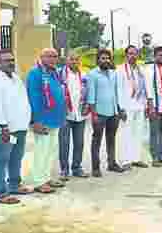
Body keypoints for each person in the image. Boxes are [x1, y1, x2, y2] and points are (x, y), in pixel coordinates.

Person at [0, 49, 34, 205]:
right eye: (6, 60)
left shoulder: (15, 78)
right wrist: (3, 126)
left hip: (19, 126)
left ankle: (14, 184)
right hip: (4, 129)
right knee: (1, 159)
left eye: (12, 60)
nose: (11, 63)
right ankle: (1, 192)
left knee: (16, 157)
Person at [26, 48, 67, 194]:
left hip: (56, 118)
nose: (52, 59)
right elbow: (33, 98)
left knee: (51, 150)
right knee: (41, 151)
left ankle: (46, 177)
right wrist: (36, 120)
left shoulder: (54, 73)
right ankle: (38, 181)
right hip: (42, 120)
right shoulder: (35, 73)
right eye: (49, 56)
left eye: (55, 56)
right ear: (41, 57)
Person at [87, 49, 125, 176]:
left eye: (108, 58)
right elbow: (91, 96)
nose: (106, 60)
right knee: (96, 140)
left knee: (111, 139)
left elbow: (116, 93)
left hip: (113, 113)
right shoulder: (92, 74)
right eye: (103, 58)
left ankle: (112, 163)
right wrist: (94, 114)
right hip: (99, 113)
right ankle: (95, 168)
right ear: (98, 60)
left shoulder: (113, 74)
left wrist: (119, 110)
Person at [58, 51, 90, 179]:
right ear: (67, 60)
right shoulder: (59, 74)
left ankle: (77, 168)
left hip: (80, 113)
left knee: (79, 143)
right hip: (65, 114)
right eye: (72, 59)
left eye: (77, 59)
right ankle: (64, 170)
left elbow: (88, 92)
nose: (74, 62)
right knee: (64, 143)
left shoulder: (84, 75)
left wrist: (87, 106)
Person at [116, 45, 149, 169]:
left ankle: (136, 158)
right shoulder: (120, 70)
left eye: (135, 53)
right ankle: (125, 160)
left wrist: (146, 105)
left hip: (139, 105)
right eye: (130, 53)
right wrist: (121, 108)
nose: (133, 56)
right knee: (126, 133)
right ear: (126, 55)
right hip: (127, 106)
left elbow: (144, 88)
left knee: (138, 133)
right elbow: (118, 90)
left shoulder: (140, 70)